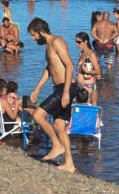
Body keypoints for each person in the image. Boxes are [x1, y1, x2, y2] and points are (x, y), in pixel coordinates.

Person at [27, 18, 76, 172]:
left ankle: (56, 145)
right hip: (59, 88)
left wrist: (66, 92)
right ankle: (70, 164)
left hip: (66, 87)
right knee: (59, 125)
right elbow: (49, 69)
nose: (32, 38)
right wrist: (37, 89)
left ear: (40, 31)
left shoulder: (57, 41)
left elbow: (70, 66)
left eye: (33, 34)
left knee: (38, 115)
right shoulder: (48, 46)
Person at [75, 32, 100, 105]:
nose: (77, 44)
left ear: (86, 41)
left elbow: (98, 71)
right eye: (76, 42)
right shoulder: (81, 53)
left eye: (79, 42)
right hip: (80, 85)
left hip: (88, 86)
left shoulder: (91, 54)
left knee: (87, 107)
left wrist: (88, 72)